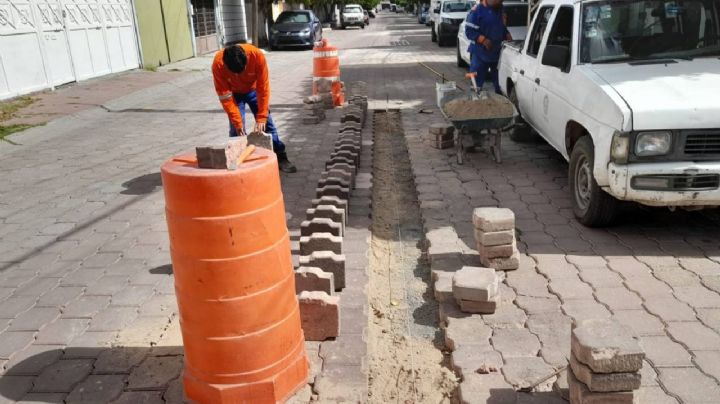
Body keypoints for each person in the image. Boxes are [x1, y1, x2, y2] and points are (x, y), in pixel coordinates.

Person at [212, 44, 297, 173]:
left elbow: (263, 89)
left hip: (254, 91)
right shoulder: (218, 64)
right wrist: (238, 123)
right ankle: (236, 162)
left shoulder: (257, 56)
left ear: (246, 58)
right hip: (234, 95)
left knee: (267, 125)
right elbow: (225, 97)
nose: (239, 75)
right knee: (236, 130)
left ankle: (281, 157)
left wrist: (262, 117)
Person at [465, 0, 512, 94]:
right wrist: (483, 40)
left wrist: (506, 34)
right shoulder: (476, 11)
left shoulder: (500, 8)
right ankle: (475, 101)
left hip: (497, 53)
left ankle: (501, 103)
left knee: (501, 85)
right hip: (480, 53)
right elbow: (469, 31)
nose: (500, 2)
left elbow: (500, 27)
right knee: (476, 85)